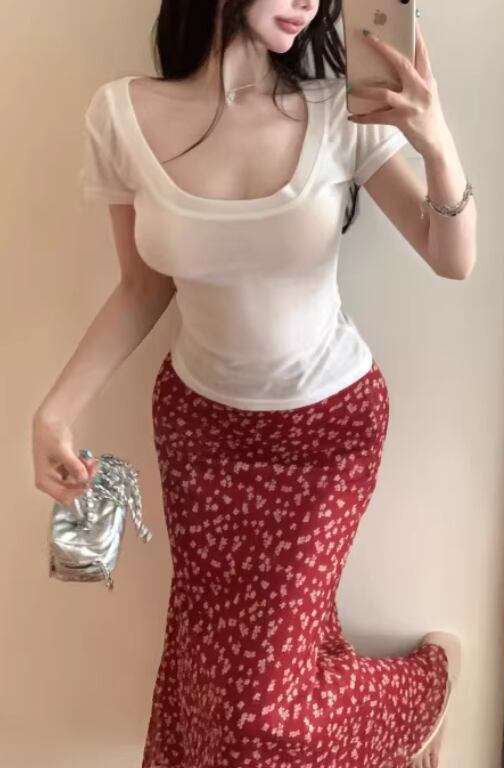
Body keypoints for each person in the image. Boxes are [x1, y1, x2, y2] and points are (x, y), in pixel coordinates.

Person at [32, 1, 475, 766]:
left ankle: (424, 691)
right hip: (199, 434)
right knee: (206, 671)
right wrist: (54, 413)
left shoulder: (339, 112)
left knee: (259, 711)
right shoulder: (120, 115)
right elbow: (142, 288)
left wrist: (435, 141)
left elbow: (451, 256)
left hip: (326, 435)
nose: (309, 2)